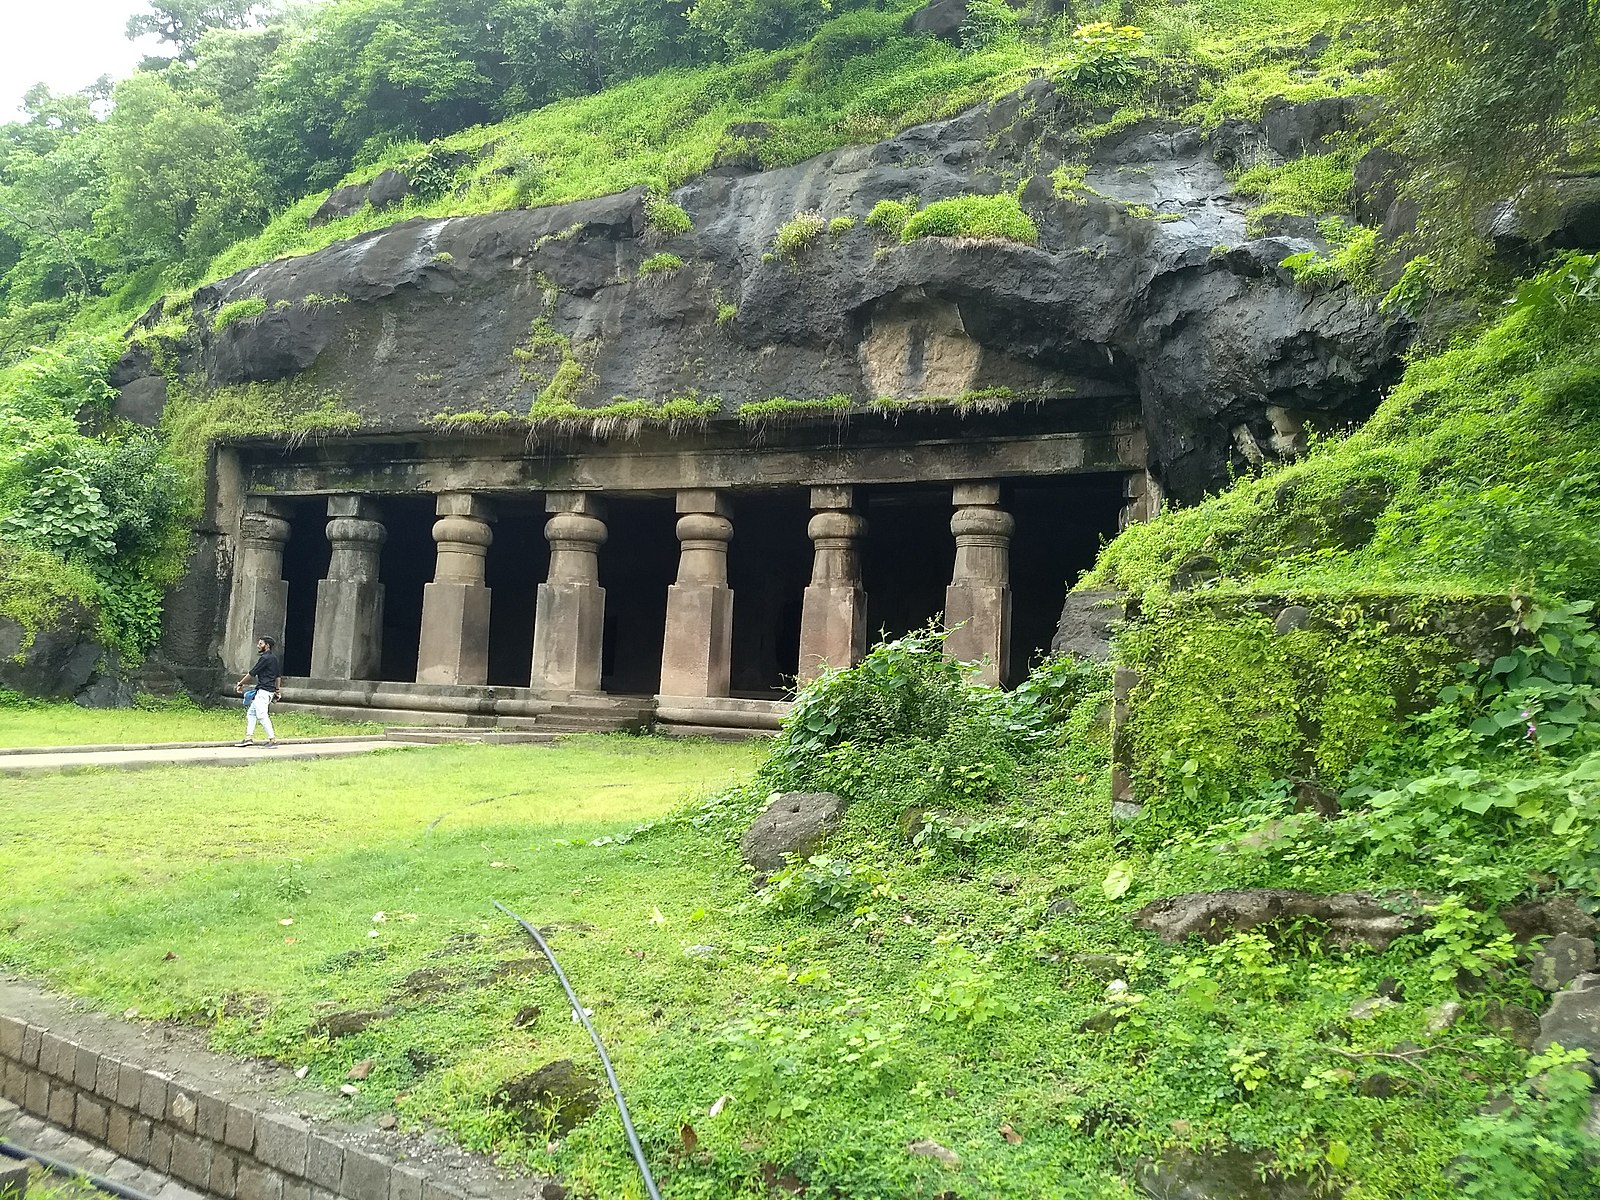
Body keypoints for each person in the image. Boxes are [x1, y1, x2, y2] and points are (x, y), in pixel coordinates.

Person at [235, 635, 282, 747]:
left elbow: (252, 673)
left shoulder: (265, 658)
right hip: (267, 691)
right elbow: (278, 676)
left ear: (267, 646)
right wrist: (277, 690)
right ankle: (248, 738)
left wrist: (240, 683)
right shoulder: (274, 658)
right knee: (251, 713)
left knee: (261, 715)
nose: (258, 646)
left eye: (261, 644)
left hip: (264, 691)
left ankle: (272, 739)